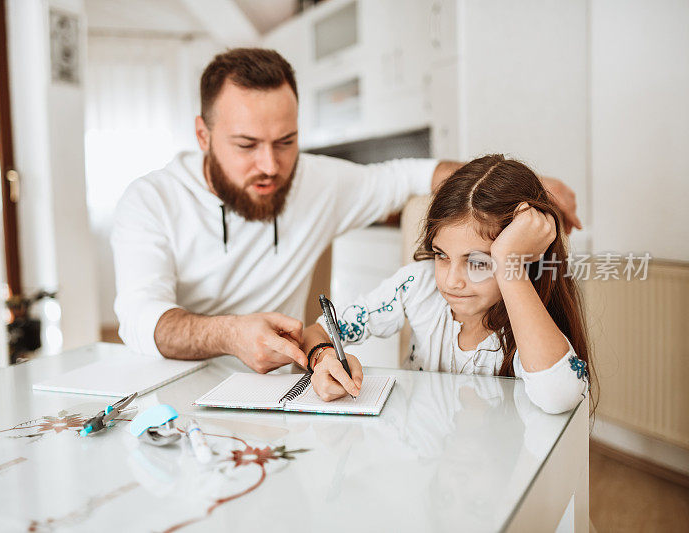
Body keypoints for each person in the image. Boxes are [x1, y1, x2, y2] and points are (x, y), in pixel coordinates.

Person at [112, 48, 582, 375]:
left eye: (286, 142)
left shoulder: (316, 182)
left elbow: (408, 175)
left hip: (278, 381)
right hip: (172, 384)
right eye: (246, 145)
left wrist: (527, 189)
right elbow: (139, 317)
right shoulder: (150, 200)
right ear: (202, 136)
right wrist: (229, 334)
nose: (271, 165)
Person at [302, 155, 593, 414]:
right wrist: (324, 357)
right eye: (441, 255)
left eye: (479, 262)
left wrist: (509, 267)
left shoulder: (525, 316)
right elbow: (317, 331)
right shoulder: (418, 284)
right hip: (426, 461)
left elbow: (560, 396)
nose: (452, 280)